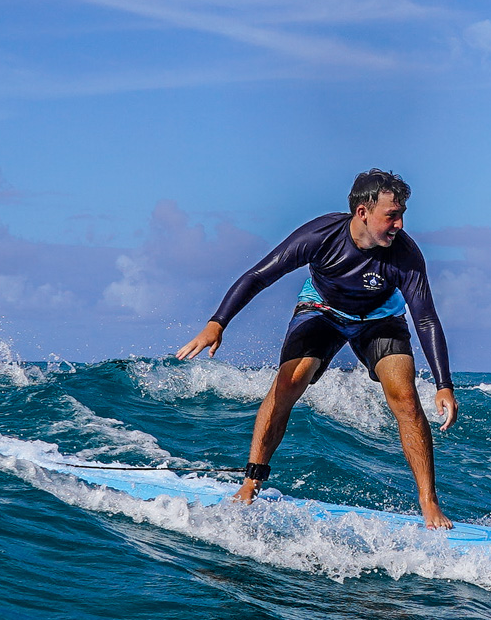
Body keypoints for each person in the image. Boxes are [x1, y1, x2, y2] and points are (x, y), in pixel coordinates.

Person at [174, 169, 459, 529]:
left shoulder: (405, 255)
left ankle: (429, 502)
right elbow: (259, 276)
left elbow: (426, 318)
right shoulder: (321, 236)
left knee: (404, 396)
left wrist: (443, 385)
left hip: (380, 318)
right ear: (363, 212)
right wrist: (218, 322)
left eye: (402, 215)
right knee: (289, 382)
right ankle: (251, 481)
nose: (399, 225)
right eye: (392, 215)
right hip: (322, 310)